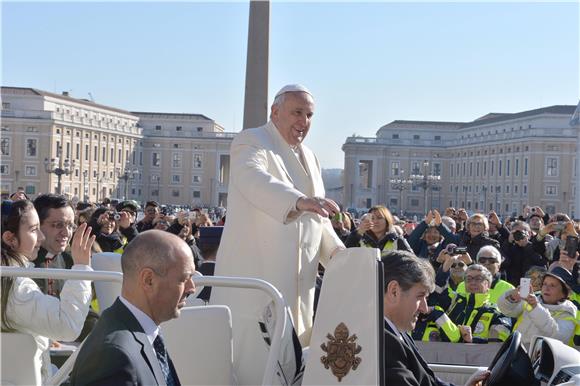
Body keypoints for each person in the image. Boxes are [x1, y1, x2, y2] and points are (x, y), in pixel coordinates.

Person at [211, 84, 345, 385]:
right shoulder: (252, 141)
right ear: (275, 111)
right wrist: (297, 201)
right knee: (255, 373)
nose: (304, 122)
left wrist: (338, 255)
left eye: (309, 115)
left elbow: (319, 219)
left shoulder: (310, 156)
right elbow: (253, 179)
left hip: (300, 294)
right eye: (297, 112)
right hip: (257, 292)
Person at [70, 230, 196, 385]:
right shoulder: (115, 356)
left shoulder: (131, 331)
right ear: (149, 280)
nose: (192, 288)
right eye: (184, 279)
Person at [1, 200, 94, 382]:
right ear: (10, 239)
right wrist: (82, 268)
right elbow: (67, 326)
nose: (41, 237)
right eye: (34, 229)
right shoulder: (16, 286)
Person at [383, 250, 489, 386]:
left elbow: (429, 382)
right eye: (420, 296)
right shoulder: (384, 342)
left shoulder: (397, 334)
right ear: (394, 291)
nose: (424, 308)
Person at [33, 194, 100, 341]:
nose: (66, 233)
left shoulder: (70, 259)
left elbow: (83, 312)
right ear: (37, 225)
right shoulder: (22, 263)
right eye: (57, 225)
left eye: (70, 225)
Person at [497, 267, 577, 347]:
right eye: (544, 284)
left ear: (564, 293)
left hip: (544, 357)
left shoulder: (568, 312)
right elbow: (506, 310)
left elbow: (557, 335)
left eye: (552, 285)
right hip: (517, 352)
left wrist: (535, 307)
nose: (546, 288)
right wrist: (511, 297)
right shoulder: (533, 299)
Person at [345, 205, 412, 254]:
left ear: (387, 220)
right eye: (372, 218)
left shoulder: (398, 241)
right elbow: (345, 254)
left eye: (379, 218)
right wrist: (358, 232)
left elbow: (412, 262)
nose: (375, 221)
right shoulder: (359, 239)